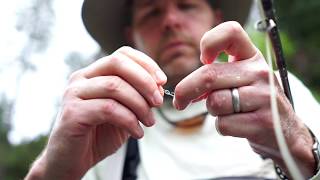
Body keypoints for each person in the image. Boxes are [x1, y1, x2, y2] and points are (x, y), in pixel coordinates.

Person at [25, 0, 320, 179]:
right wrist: (53, 173)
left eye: (187, 4)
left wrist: (300, 147)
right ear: (131, 35)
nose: (170, 21)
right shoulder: (100, 116)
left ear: (216, 18)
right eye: (151, 12)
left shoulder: (277, 91)